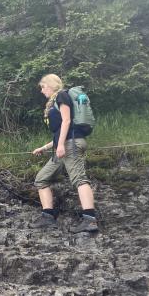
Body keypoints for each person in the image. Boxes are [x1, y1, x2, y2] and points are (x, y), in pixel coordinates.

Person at [31, 74, 98, 233]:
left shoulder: (61, 96)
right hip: (64, 145)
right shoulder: (54, 101)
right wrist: (45, 148)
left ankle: (89, 219)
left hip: (70, 145)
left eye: (43, 86)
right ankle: (48, 217)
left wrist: (61, 145)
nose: (42, 91)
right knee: (41, 179)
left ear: (52, 85)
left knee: (79, 179)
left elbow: (67, 121)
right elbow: (61, 130)